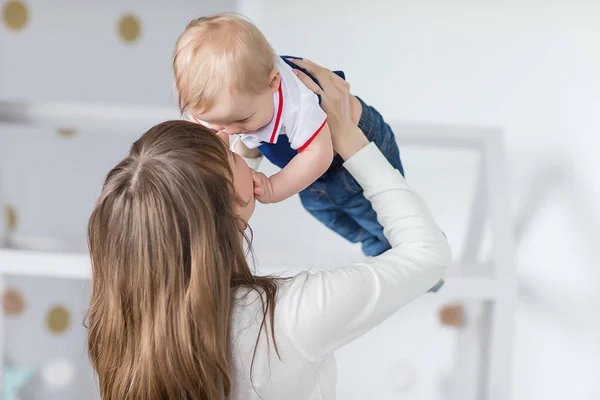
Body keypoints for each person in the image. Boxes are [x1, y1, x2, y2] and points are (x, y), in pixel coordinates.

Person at [86, 59, 451, 399]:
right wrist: (348, 137)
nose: (229, 136)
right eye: (229, 155)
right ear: (227, 213)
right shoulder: (288, 318)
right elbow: (427, 254)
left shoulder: (120, 340)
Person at [172, 14, 444, 285]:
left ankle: (418, 259)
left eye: (241, 121)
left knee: (371, 215)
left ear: (274, 83)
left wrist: (273, 187)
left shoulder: (296, 103)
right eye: (216, 123)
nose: (229, 132)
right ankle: (373, 244)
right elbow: (214, 135)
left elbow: (319, 154)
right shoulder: (225, 103)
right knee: (323, 211)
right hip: (310, 165)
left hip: (347, 151)